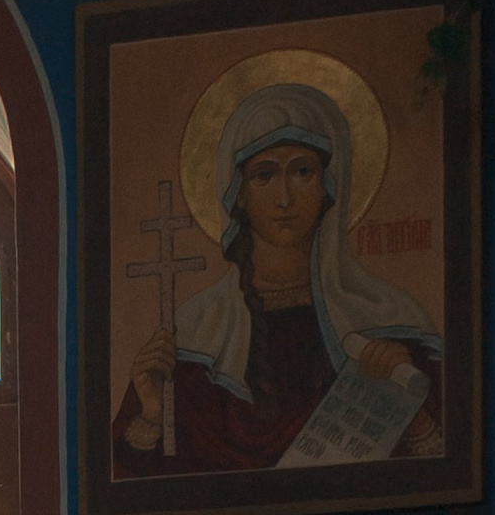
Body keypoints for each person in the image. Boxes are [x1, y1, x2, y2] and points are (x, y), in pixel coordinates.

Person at [115, 81, 442, 476]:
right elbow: (144, 487)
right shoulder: (196, 336)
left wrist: (403, 403)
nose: (284, 197)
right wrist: (152, 414)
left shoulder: (389, 324)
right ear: (237, 192)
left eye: (303, 171)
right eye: (264, 175)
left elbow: (443, 463)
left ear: (329, 184)